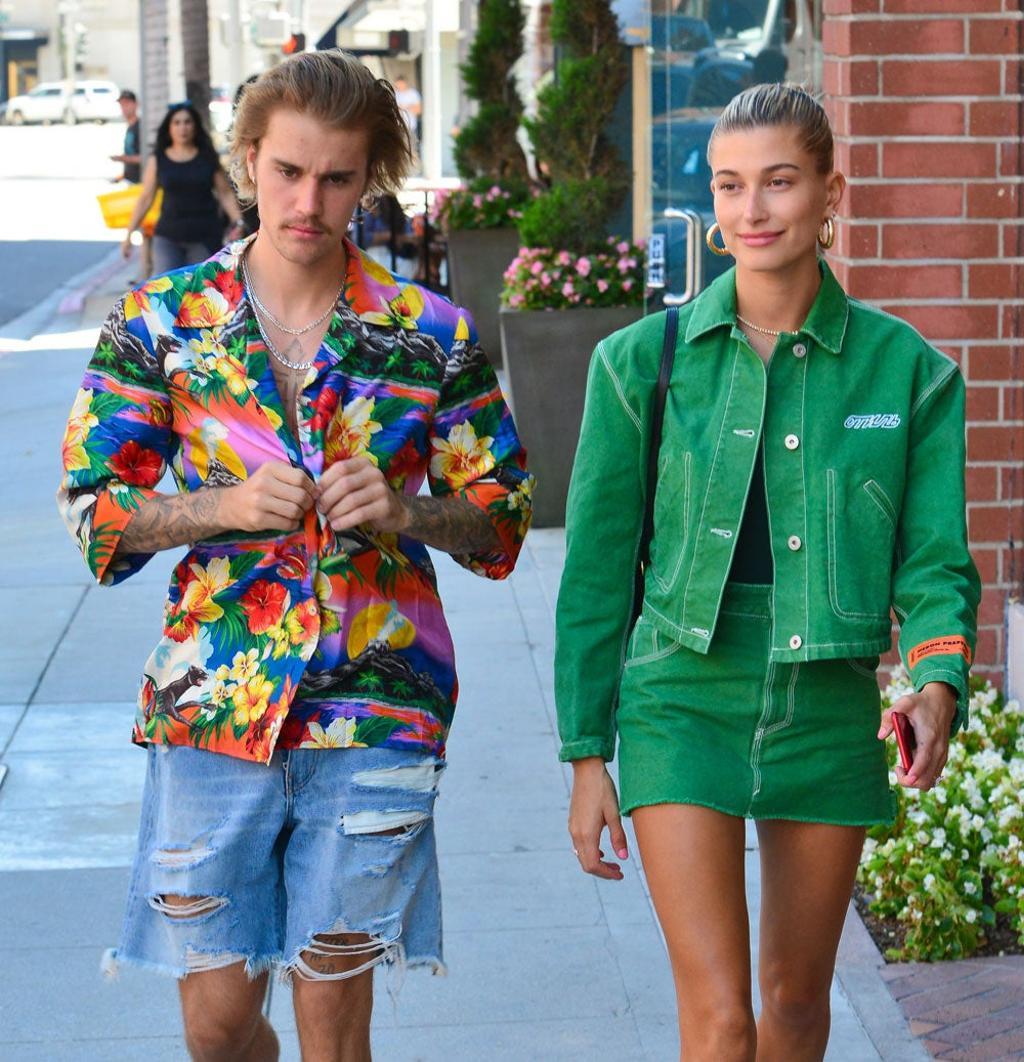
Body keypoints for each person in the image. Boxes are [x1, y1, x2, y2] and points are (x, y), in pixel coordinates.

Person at [57, 48, 533, 1061]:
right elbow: (96, 515)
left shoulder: (426, 336)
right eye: (286, 171)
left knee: (333, 1017)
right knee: (219, 1026)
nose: (308, 200)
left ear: (370, 181)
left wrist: (408, 511)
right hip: (214, 706)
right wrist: (217, 507)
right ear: (248, 159)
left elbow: (503, 522)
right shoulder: (162, 324)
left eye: (336, 177)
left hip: (378, 702)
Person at [555, 82, 979, 1061]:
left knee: (793, 1007)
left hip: (824, 700)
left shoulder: (906, 372)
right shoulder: (636, 365)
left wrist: (935, 685)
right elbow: (596, 576)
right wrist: (586, 753)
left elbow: (932, 564)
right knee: (719, 1019)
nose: (749, 211)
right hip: (679, 694)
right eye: (729, 186)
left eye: (779, 183)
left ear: (833, 192)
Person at [122, 101, 245, 276]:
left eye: (188, 122)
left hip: (205, 237)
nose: (183, 128)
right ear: (169, 127)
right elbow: (146, 198)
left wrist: (238, 222)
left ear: (195, 126)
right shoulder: (158, 159)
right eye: (177, 123)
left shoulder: (207, 157)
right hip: (168, 236)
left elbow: (224, 193)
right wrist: (129, 234)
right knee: (166, 294)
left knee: (200, 295)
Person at [110, 89, 141, 182]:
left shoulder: (141, 127)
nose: (124, 107)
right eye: (122, 104)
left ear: (136, 104)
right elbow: (131, 152)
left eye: (127, 103)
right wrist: (123, 176)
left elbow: (146, 157)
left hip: (140, 182)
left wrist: (122, 158)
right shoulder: (130, 127)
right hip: (129, 180)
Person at [393, 74, 422, 146]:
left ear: (405, 83)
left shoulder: (413, 94)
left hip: (410, 128)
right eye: (397, 85)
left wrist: (405, 107)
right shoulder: (395, 94)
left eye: (400, 85)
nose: (399, 87)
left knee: (410, 150)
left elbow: (419, 110)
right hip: (397, 127)